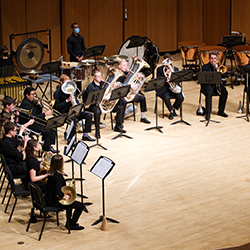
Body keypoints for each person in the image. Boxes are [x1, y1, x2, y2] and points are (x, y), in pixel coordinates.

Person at [45, 154, 87, 230]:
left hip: (48, 198)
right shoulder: (58, 176)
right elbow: (57, 191)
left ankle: (69, 223)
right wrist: (64, 196)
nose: (64, 162)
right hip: (54, 201)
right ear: (59, 164)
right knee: (80, 206)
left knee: (71, 204)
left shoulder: (51, 173)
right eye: (62, 161)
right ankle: (72, 224)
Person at [54, 74, 95, 141]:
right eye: (66, 83)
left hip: (74, 111)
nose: (68, 85)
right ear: (61, 83)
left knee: (89, 115)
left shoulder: (70, 89)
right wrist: (66, 101)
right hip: (64, 112)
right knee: (74, 120)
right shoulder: (57, 93)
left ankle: (85, 135)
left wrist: (77, 103)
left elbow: (76, 100)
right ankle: (70, 138)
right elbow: (57, 107)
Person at [19, 87, 58, 153]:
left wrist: (39, 105)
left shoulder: (32, 101)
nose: (35, 96)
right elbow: (34, 117)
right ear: (27, 95)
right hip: (30, 124)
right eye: (32, 94)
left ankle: (48, 145)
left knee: (52, 125)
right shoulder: (25, 104)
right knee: (47, 130)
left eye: (35, 94)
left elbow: (38, 112)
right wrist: (45, 114)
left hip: (36, 121)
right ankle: (46, 149)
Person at [117, 59, 151, 124]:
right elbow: (120, 87)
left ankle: (143, 117)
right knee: (123, 102)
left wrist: (137, 77)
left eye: (126, 65)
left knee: (142, 98)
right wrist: (130, 86)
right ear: (119, 66)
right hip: (121, 96)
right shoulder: (117, 75)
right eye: (124, 65)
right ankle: (120, 120)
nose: (126, 67)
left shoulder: (127, 74)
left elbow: (132, 80)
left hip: (129, 95)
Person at [201, 52, 228, 120]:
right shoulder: (205, 67)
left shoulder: (219, 67)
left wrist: (218, 70)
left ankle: (221, 111)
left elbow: (225, 76)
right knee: (209, 92)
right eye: (212, 58)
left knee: (224, 92)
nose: (213, 60)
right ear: (209, 59)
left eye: (215, 58)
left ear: (217, 59)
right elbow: (202, 79)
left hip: (216, 84)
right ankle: (208, 113)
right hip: (207, 85)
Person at [156, 53, 184, 120]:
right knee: (166, 97)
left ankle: (173, 108)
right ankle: (171, 112)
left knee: (181, 97)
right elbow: (158, 81)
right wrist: (165, 74)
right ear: (163, 60)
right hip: (164, 89)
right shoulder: (159, 69)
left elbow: (178, 80)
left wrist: (173, 80)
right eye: (166, 60)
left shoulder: (175, 69)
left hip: (173, 88)